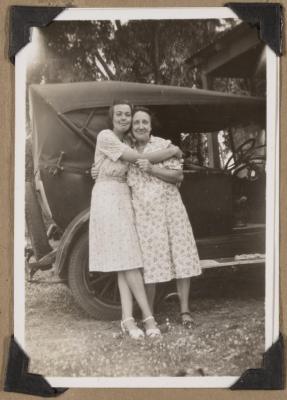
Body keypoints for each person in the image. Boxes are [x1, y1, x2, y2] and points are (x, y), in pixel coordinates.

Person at [89, 101, 182, 339]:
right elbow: (137, 159)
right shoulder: (106, 136)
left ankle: (128, 320)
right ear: (112, 118)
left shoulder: (127, 141)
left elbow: (131, 161)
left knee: (125, 259)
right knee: (129, 260)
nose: (123, 118)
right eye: (119, 114)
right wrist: (172, 150)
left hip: (124, 196)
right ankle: (148, 318)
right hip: (108, 197)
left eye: (127, 114)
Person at [127, 106, 202, 328]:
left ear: (150, 126)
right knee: (150, 262)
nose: (141, 126)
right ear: (131, 127)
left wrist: (152, 169)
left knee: (181, 256)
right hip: (145, 214)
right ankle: (148, 314)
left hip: (170, 209)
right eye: (136, 122)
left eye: (144, 122)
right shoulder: (127, 150)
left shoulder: (163, 145)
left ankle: (185, 310)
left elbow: (178, 175)